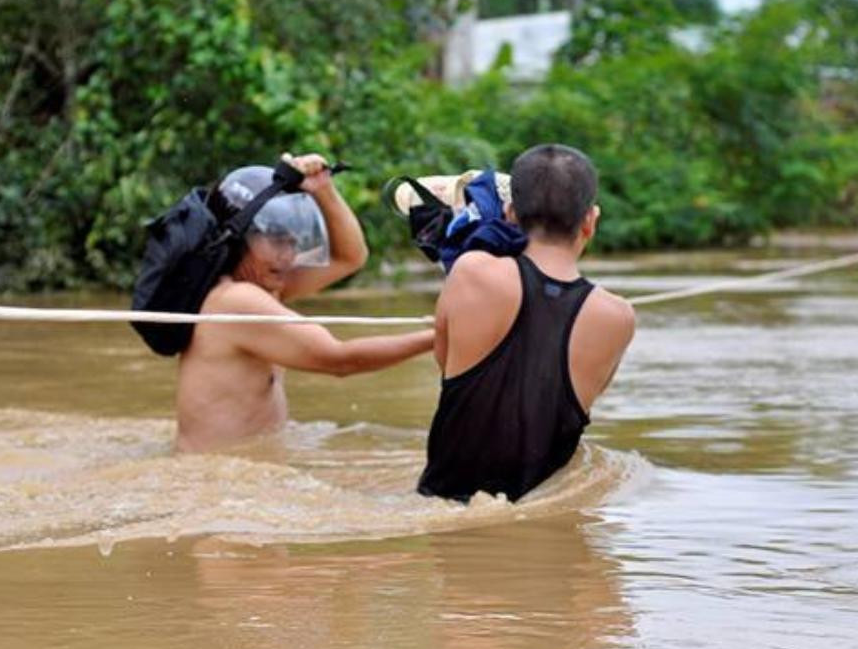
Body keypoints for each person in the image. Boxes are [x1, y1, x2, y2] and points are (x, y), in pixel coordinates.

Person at [417, 144, 636, 502]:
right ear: (590, 221)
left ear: (510, 213)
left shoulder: (472, 272)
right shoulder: (617, 317)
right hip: (543, 516)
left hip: (445, 506)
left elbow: (444, 360)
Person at [175, 153, 434, 452]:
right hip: (215, 479)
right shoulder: (235, 302)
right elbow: (339, 360)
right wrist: (437, 337)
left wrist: (323, 188)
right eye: (276, 241)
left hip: (243, 469)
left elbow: (350, 258)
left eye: (292, 242)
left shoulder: (261, 287)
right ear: (239, 238)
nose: (287, 256)